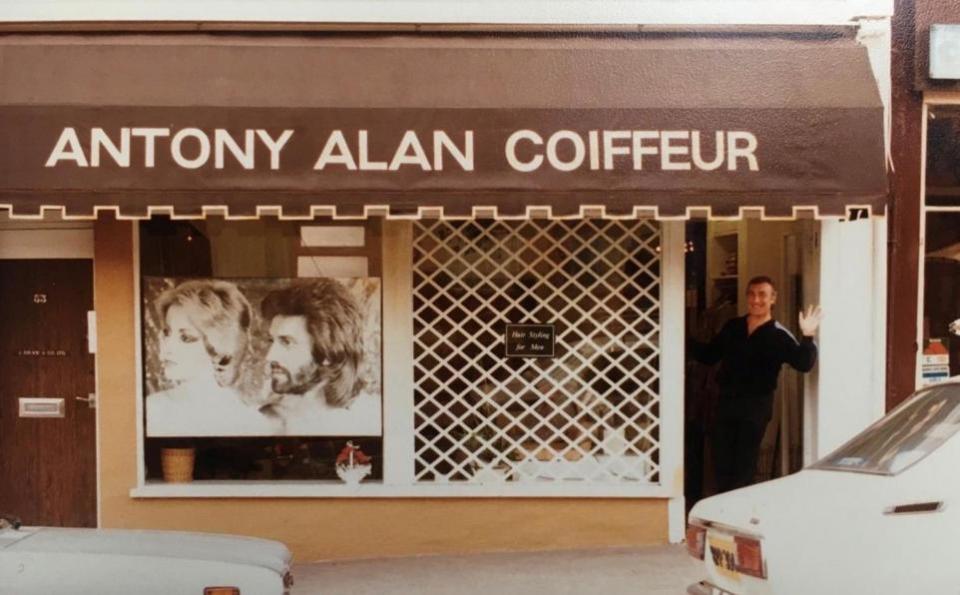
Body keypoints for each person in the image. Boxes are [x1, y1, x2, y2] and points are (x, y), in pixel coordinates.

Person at [689, 275, 821, 493]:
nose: (756, 300)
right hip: (726, 404)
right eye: (751, 294)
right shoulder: (733, 327)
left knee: (744, 465)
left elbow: (804, 363)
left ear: (773, 299)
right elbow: (710, 355)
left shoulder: (778, 334)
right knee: (721, 463)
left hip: (755, 407)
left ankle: (736, 516)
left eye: (762, 295)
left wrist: (808, 335)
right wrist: (681, 335)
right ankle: (722, 512)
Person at [146, 279, 279, 436]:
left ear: (221, 346)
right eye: (167, 333)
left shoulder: (250, 423)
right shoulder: (152, 408)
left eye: (186, 338)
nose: (167, 347)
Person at [260, 279, 381, 436]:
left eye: (287, 342)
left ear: (327, 353)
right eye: (272, 341)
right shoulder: (263, 423)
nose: (270, 356)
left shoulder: (364, 424)